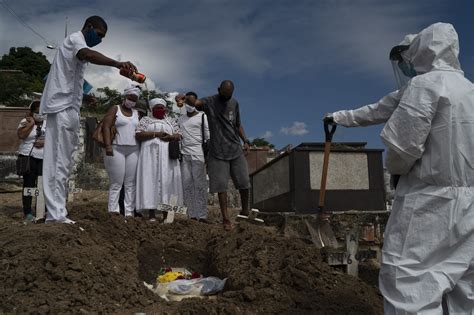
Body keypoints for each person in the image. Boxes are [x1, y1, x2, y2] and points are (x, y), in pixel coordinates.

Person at [326, 22, 474, 314]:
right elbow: (377, 109)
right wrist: (339, 116)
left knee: (409, 282)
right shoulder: (469, 90)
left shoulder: (425, 85)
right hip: (470, 206)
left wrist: (395, 170)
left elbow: (403, 147)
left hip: (430, 203)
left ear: (422, 50)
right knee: (464, 286)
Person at [39, 16, 136, 224]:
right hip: (61, 109)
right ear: (89, 27)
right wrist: (116, 63)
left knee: (64, 163)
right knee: (57, 163)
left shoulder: (77, 47)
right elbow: (88, 54)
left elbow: (71, 79)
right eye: (99, 35)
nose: (99, 39)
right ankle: (55, 215)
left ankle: (58, 212)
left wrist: (84, 98)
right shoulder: (75, 40)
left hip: (71, 108)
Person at [176, 80, 251, 230]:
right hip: (217, 152)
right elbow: (196, 102)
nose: (226, 99)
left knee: (244, 183)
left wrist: (246, 140)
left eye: (228, 96)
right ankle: (225, 219)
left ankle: (245, 211)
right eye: (223, 95)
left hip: (235, 148)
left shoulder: (234, 103)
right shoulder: (209, 101)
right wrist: (183, 98)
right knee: (221, 186)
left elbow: (238, 124)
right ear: (218, 90)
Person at [135, 98, 183, 222]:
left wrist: (170, 136)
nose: (160, 110)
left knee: (168, 183)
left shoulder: (170, 121)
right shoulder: (146, 120)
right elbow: (138, 134)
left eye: (162, 107)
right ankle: (151, 214)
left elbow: (179, 135)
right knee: (151, 181)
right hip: (149, 157)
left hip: (168, 157)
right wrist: (155, 134)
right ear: (151, 109)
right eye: (157, 108)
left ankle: (167, 215)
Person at [102, 85, 140, 217]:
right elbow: (106, 127)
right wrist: (108, 146)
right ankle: (113, 211)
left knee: (130, 183)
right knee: (116, 182)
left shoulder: (136, 113)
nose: (132, 101)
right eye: (130, 98)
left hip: (134, 149)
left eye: (135, 99)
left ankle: (129, 212)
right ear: (125, 97)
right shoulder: (115, 108)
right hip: (116, 148)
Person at [177, 91, 210, 222]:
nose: (189, 104)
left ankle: (202, 215)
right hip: (184, 155)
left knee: (200, 185)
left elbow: (208, 136)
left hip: (199, 154)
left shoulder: (202, 116)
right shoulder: (181, 118)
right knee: (186, 185)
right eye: (187, 102)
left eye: (191, 102)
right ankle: (191, 215)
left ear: (196, 102)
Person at [17, 101, 46, 222]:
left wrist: (44, 142)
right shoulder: (25, 122)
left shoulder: (49, 124)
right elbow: (21, 135)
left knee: (42, 184)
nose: (40, 114)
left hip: (44, 158)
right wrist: (31, 124)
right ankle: (28, 212)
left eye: (42, 112)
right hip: (28, 157)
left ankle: (40, 210)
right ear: (32, 112)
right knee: (28, 184)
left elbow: (55, 139)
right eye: (37, 112)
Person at [119, 98, 147, 216]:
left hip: (141, 155)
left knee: (137, 183)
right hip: (125, 153)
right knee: (124, 183)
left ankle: (134, 208)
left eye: (141, 113)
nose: (139, 115)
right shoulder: (126, 121)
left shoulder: (146, 123)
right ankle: (122, 208)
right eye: (137, 112)